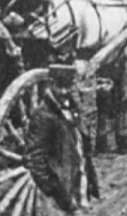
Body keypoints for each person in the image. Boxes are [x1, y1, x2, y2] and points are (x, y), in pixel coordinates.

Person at [26, 64, 90, 214]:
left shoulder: (70, 108)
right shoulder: (43, 116)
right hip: (57, 200)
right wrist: (58, 193)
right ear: (51, 84)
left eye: (68, 86)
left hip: (73, 190)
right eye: (60, 86)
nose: (64, 92)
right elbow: (35, 161)